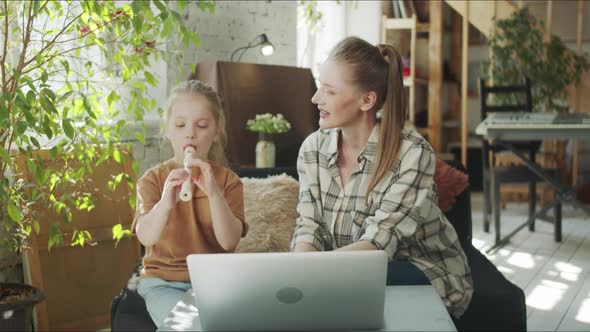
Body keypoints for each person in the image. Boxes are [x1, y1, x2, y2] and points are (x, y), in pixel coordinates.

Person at [291, 36, 473, 319]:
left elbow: (378, 243)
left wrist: (314, 273)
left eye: (329, 91)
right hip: (350, 272)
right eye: (318, 87)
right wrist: (293, 275)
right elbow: (309, 226)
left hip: (418, 271)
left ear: (367, 100)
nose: (316, 99)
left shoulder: (412, 153)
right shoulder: (312, 149)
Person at [133, 80, 248, 327]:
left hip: (215, 283)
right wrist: (166, 202)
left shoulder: (228, 181)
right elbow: (146, 236)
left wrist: (214, 193)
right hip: (163, 284)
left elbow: (229, 241)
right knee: (194, 326)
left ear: (216, 131)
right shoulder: (151, 180)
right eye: (180, 124)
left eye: (202, 125)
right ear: (168, 130)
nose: (190, 133)